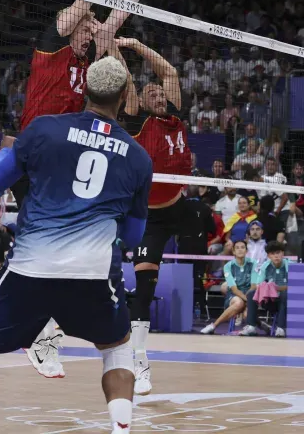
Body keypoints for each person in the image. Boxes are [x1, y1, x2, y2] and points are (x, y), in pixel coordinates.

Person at [0, 56, 153, 434]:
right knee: (117, 349)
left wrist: (9, 151)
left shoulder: (44, 129)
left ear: (84, 89)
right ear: (126, 95)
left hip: (32, 266)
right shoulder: (139, 157)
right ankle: (121, 430)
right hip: (94, 272)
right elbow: (133, 238)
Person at [9, 0, 157, 378]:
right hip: (34, 157)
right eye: (88, 23)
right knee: (44, 250)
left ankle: (44, 331)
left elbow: (117, 18)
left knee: (69, 251)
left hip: (64, 164)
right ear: (71, 24)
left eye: (94, 26)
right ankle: (33, 333)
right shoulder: (51, 47)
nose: (94, 28)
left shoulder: (88, 62)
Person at [117, 39, 202, 396]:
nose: (157, 94)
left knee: (212, 238)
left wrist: (137, 44)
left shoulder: (175, 116)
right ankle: (139, 361)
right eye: (149, 92)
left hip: (181, 208)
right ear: (140, 101)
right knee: (144, 288)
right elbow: (125, 79)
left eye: (159, 92)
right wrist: (115, 48)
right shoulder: (139, 121)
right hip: (150, 218)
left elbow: (168, 72)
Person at [200, 239, 254, 334]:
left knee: (247, 315)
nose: (240, 250)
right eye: (237, 248)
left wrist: (249, 299)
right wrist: (247, 300)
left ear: (246, 251)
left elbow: (254, 286)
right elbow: (234, 289)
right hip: (233, 295)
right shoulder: (228, 266)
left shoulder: (253, 264)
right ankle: (213, 326)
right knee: (238, 303)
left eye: (242, 247)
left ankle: (259, 326)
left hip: (249, 294)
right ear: (233, 251)